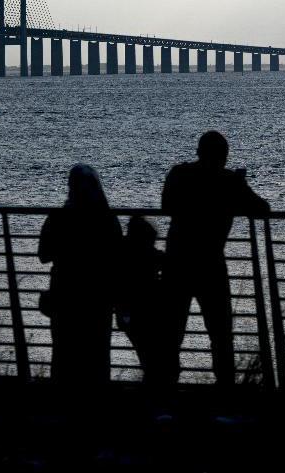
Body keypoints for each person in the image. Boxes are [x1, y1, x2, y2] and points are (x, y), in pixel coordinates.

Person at [159, 131, 269, 386]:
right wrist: (237, 188)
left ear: (198, 152)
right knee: (220, 335)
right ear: (224, 157)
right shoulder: (229, 182)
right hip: (211, 264)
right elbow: (262, 209)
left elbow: (166, 205)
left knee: (170, 333)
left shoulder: (179, 173)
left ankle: (165, 389)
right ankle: (225, 391)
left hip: (177, 263)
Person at [38, 164, 122, 387]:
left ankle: (63, 403)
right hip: (99, 298)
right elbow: (117, 259)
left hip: (64, 294)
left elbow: (43, 254)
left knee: (64, 353)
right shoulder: (108, 219)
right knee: (98, 354)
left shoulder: (58, 218)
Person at [115, 216, 165, 385]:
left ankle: (151, 394)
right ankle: (153, 397)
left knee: (148, 357)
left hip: (129, 314)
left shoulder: (122, 252)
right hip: (144, 314)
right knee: (152, 359)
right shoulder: (149, 256)